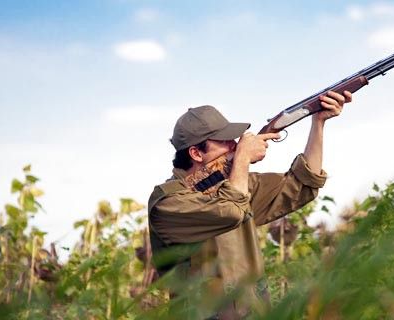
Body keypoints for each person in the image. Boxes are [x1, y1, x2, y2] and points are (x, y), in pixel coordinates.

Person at [148, 90, 353, 319]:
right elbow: (231, 211)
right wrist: (243, 159)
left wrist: (318, 122)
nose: (235, 145)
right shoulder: (168, 203)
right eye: (224, 141)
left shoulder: (237, 185)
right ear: (196, 153)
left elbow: (302, 184)